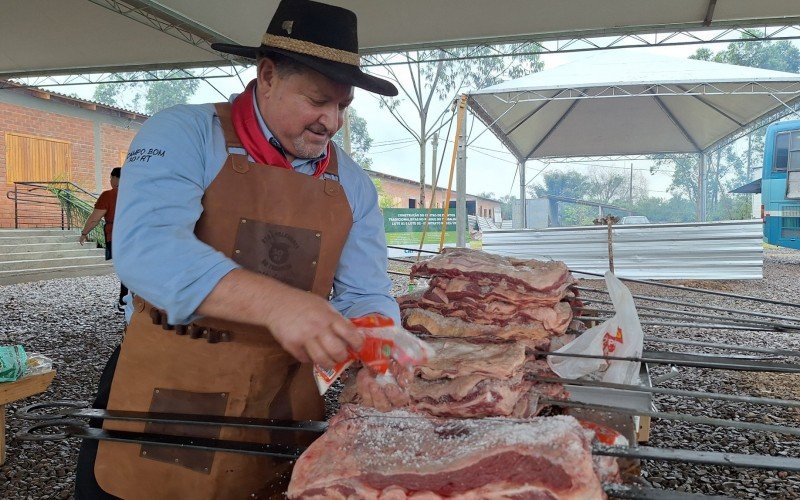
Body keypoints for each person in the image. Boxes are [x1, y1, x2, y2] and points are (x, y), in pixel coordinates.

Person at [74, 1, 408, 498]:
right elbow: (147, 248)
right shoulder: (183, 133)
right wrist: (280, 304)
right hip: (166, 387)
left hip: (282, 402)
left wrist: (381, 354)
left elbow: (365, 291)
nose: (332, 122)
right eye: (318, 100)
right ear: (267, 75)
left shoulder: (353, 185)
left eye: (342, 106)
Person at [79, 167, 128, 311]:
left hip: (117, 236)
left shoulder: (109, 195)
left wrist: (84, 233)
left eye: (110, 178)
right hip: (137, 236)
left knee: (124, 269)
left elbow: (95, 218)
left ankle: (124, 302)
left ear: (114, 178)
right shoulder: (136, 194)